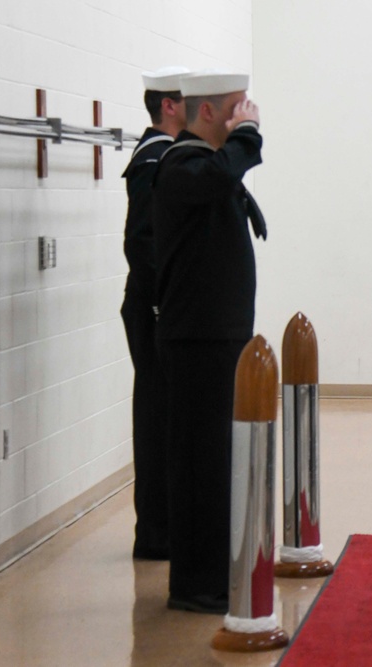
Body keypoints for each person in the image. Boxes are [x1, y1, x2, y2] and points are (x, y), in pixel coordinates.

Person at [152, 71, 265, 614]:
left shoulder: (201, 166)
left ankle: (212, 573)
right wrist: (249, 137)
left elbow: (225, 183)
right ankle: (195, 584)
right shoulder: (180, 163)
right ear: (205, 115)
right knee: (199, 463)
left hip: (214, 336)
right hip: (197, 339)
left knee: (216, 460)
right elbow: (219, 176)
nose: (244, 117)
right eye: (233, 110)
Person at [120, 65, 190, 561]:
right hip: (155, 307)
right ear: (169, 105)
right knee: (158, 420)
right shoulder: (154, 158)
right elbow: (143, 242)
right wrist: (165, 302)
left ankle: (169, 527)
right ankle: (157, 533)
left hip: (162, 304)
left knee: (171, 419)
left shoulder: (165, 155)